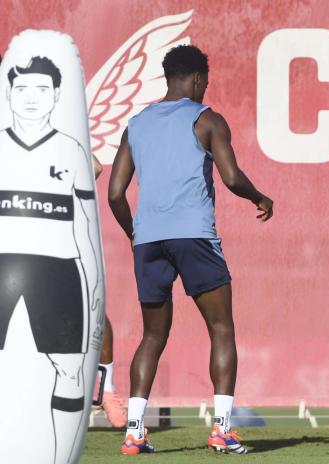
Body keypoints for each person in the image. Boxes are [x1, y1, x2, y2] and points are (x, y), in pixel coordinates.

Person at [108, 44, 273, 455]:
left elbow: (114, 194)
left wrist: (135, 232)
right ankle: (221, 429)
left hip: (148, 241)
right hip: (194, 237)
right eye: (206, 83)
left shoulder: (136, 124)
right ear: (199, 79)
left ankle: (133, 433)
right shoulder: (206, 119)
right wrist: (260, 198)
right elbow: (232, 177)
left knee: (151, 336)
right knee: (221, 329)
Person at [0, 56, 103, 463]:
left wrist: (94, 282)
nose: (30, 98)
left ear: (57, 96)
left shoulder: (70, 148)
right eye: (22, 89)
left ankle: (60, 455)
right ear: (9, 93)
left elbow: (88, 195)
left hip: (59, 268)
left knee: (68, 368)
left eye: (42, 89)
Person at [90, 156, 128, 428]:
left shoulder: (56, 138)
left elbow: (95, 167)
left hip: (55, 232)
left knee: (93, 311)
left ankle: (107, 389)